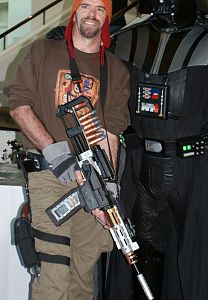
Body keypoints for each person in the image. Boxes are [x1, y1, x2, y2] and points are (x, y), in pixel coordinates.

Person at [104, 0, 208, 299]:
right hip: (140, 164)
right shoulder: (126, 40)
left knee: (196, 258)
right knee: (141, 253)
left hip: (193, 169)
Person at [3, 0, 130, 299]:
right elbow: (19, 107)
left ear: (107, 18)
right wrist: (55, 153)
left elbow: (110, 133)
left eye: (100, 9)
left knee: (82, 277)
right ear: (75, 12)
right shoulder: (42, 52)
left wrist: (108, 183)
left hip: (91, 182)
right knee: (54, 273)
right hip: (51, 176)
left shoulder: (115, 70)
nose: (92, 14)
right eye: (85, 6)